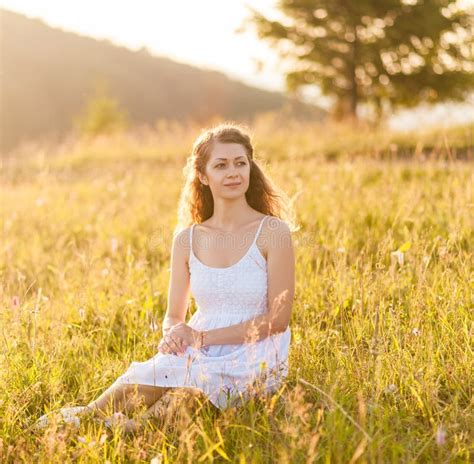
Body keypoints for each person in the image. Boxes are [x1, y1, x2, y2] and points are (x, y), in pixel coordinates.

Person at [35, 122, 297, 433]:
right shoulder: (186, 240)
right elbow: (174, 315)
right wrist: (174, 334)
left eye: (241, 163)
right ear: (203, 175)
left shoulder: (273, 232)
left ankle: (123, 431)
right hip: (198, 347)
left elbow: (278, 320)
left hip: (255, 352)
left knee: (188, 397)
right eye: (221, 165)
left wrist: (200, 338)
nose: (233, 173)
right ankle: (86, 420)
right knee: (132, 387)